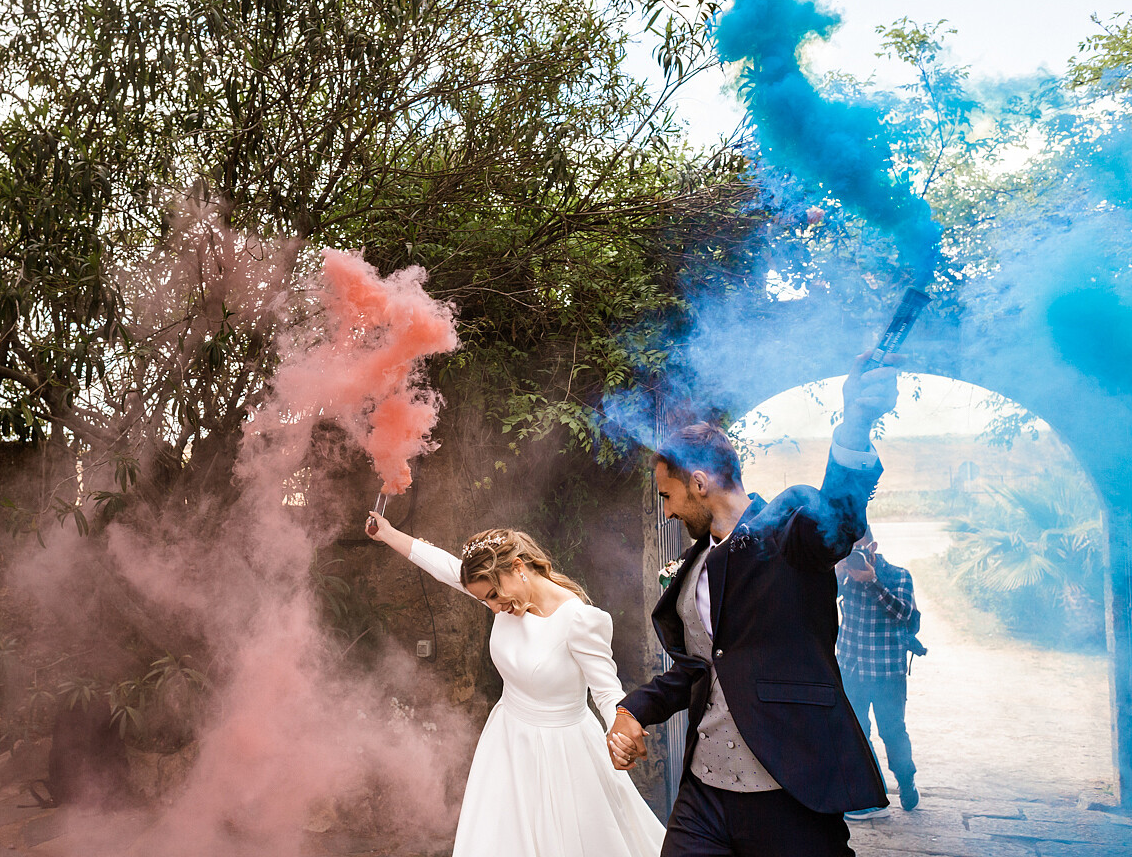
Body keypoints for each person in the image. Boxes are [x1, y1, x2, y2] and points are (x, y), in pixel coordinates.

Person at [606, 352, 900, 857]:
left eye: (668, 496)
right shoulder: (694, 563)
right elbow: (704, 665)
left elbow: (839, 520)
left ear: (699, 483)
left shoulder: (788, 531)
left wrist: (855, 424)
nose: (667, 511)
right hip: (703, 794)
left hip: (791, 788)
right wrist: (635, 709)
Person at [364, 515, 667, 857]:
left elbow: (606, 691)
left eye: (494, 596)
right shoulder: (502, 596)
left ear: (518, 567)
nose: (493, 607)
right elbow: (445, 567)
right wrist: (388, 533)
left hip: (563, 753)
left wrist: (620, 729)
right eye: (486, 599)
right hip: (506, 742)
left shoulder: (580, 620)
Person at [836, 529, 920, 817]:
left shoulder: (899, 575)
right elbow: (814, 603)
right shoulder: (843, 575)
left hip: (887, 672)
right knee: (856, 734)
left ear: (872, 547)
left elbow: (903, 614)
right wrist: (836, 573)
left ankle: (906, 780)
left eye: (858, 550)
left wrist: (872, 582)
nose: (855, 556)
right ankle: (874, 794)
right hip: (851, 668)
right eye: (848, 550)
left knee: (892, 733)